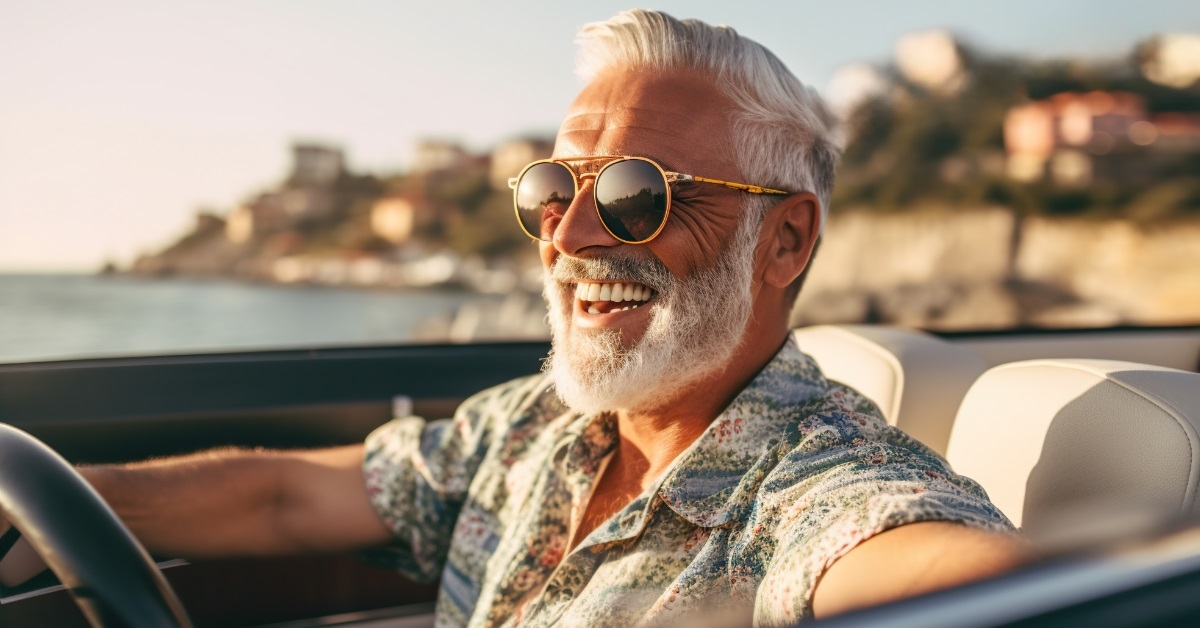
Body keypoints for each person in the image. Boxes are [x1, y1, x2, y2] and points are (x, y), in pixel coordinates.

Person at [1, 10, 1027, 626]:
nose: (570, 234)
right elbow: (283, 499)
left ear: (787, 242)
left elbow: (953, 574)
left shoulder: (815, 488)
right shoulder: (527, 429)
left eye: (636, 193)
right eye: (551, 189)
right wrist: (45, 500)